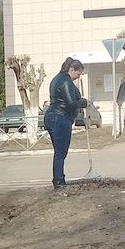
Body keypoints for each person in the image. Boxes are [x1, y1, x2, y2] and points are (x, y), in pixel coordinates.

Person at [43, 57, 87, 189]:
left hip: (53, 117)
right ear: (71, 69)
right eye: (78, 74)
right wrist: (83, 103)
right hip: (60, 118)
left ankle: (59, 178)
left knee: (60, 151)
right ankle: (58, 180)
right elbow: (71, 103)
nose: (78, 77)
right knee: (61, 151)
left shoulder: (57, 79)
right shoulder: (65, 81)